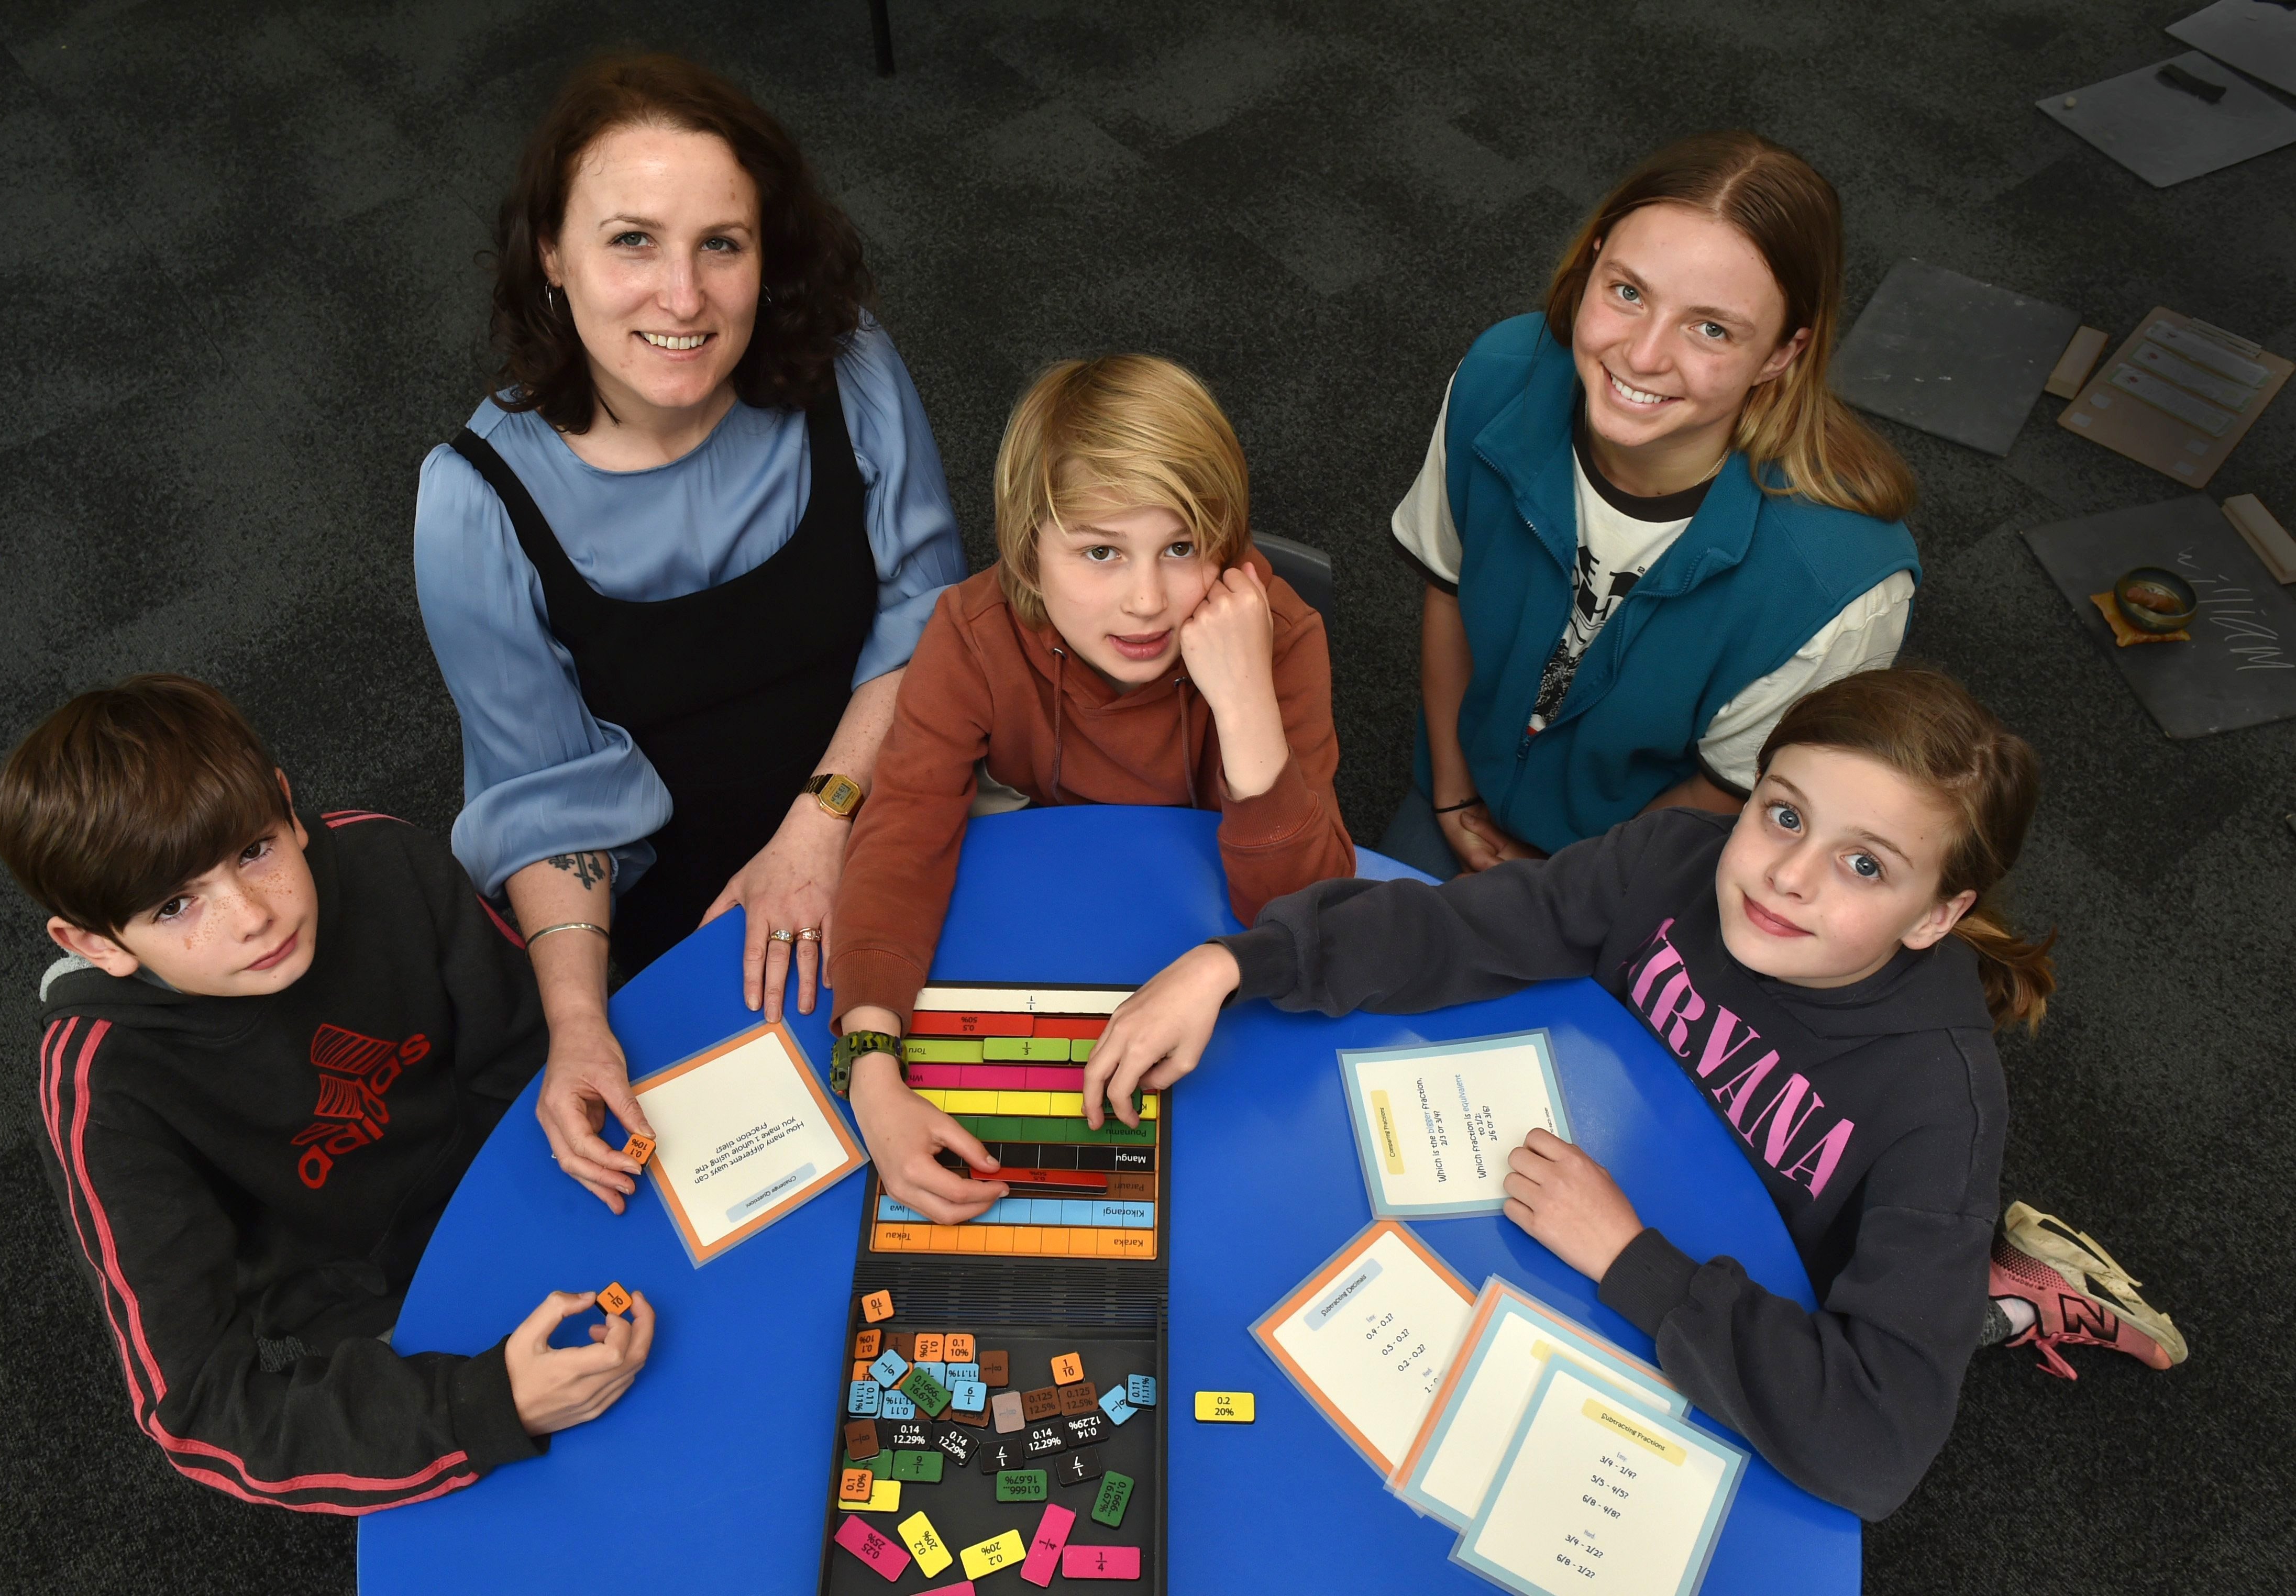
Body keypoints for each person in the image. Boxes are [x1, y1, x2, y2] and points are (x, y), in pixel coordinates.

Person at [1079, 667, 2076, 1519]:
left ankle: (2003, 1294)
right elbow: (1462, 929)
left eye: (1864, 865)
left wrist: (1630, 1258)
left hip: (1692, 1300)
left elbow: (1878, 1446)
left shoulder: (1943, 1110)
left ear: (1937, 916)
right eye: (1783, 814)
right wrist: (1235, 966)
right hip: (1576, 1211)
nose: (1788, 877)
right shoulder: (1671, 858)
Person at [415, 53, 966, 1216]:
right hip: (685, 918)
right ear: (552, 257)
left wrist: (819, 828)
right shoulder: (473, 502)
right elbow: (546, 802)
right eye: (631, 242)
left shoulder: (847, 363)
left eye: (723, 243)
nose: (683, 297)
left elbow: (927, 622)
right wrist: (576, 1028)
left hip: (891, 806)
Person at [0, 675, 653, 1513]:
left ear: (287, 806)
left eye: (254, 852)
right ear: (93, 942)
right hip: (369, 1330)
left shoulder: (389, 859)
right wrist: (487, 1408)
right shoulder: (101, 1081)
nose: (250, 918)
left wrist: (549, 1211)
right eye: (176, 905)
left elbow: (524, 1053)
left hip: (528, 1188)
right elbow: (196, 1407)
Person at [825, 354, 1356, 1223]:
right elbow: (901, 840)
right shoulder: (971, 631)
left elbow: (1306, 910)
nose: (1147, 601)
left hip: (1210, 941)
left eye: (1181, 549)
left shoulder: (1280, 633)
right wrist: (874, 1066)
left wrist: (1249, 705)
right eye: (1101, 552)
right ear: (1028, 550)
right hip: (1057, 914)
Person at [1379, 130, 1920, 879]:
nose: (1641, 356)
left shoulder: (1841, 590)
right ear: (1593, 260)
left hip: (1635, 873)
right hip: (1462, 792)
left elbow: (1724, 793)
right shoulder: (1498, 376)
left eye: (1711, 328)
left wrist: (1555, 891)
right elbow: (1447, 588)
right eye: (1628, 292)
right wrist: (1450, 791)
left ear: (1781, 356)